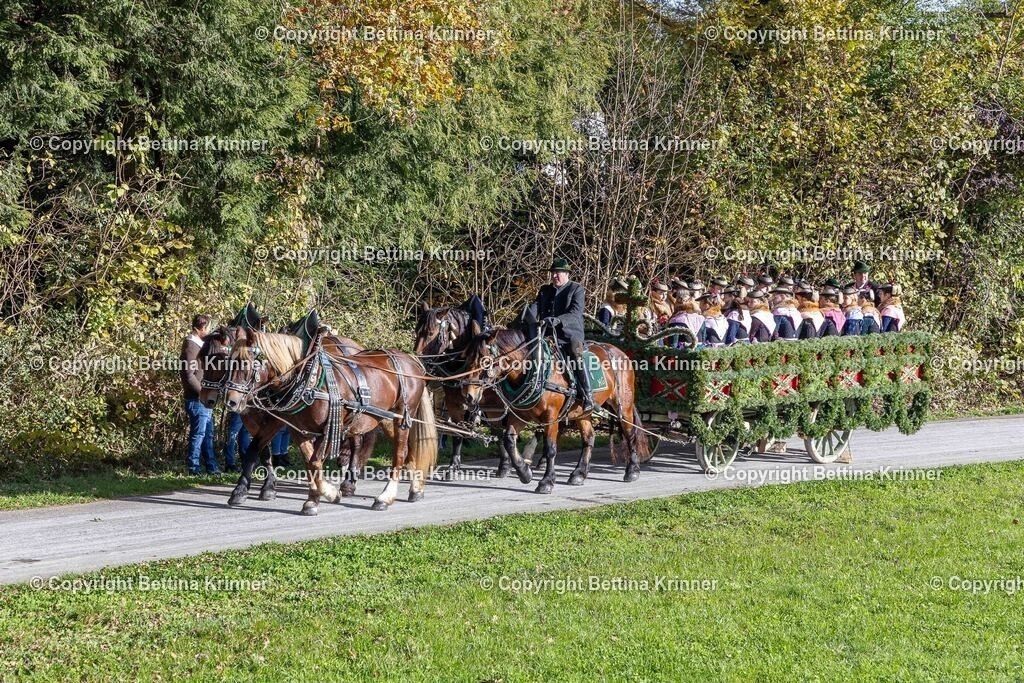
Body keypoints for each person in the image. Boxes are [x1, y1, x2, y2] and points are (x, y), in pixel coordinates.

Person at [535, 258, 593, 412]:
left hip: (570, 335)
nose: (554, 276)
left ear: (567, 274)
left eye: (558, 273)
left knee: (575, 353)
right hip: (547, 334)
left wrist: (558, 320)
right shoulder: (545, 290)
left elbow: (575, 312)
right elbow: (535, 308)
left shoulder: (576, 289)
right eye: (553, 273)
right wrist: (521, 320)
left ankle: (588, 395)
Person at [180, 314, 219, 475]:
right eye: (208, 328)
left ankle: (211, 467)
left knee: (207, 434)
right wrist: (203, 393)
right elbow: (188, 375)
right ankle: (193, 467)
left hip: (204, 399)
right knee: (198, 434)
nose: (209, 331)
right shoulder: (190, 346)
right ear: (202, 328)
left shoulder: (200, 345)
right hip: (196, 399)